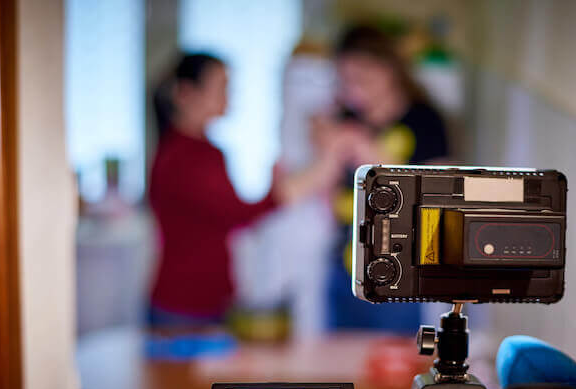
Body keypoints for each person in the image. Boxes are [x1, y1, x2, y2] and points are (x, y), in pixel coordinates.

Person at [148, 53, 345, 327]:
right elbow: (238, 213)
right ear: (185, 93)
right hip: (184, 303)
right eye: (222, 87)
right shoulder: (181, 157)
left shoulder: (206, 151)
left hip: (209, 298)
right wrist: (301, 182)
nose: (229, 96)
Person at [316, 25, 451, 333]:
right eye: (345, 80)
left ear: (389, 69)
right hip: (344, 268)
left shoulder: (425, 121)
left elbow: (442, 198)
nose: (353, 90)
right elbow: (327, 181)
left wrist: (367, 149)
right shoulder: (344, 117)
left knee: (393, 372)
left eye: (361, 79)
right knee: (344, 369)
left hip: (398, 275)